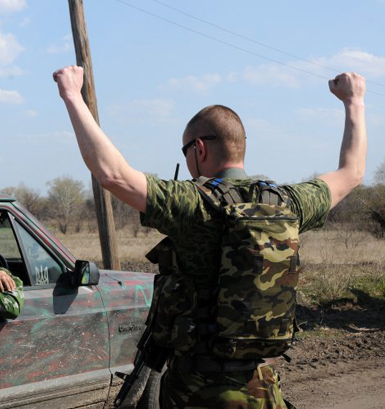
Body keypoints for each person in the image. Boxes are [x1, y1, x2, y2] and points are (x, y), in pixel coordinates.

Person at [53, 65, 366, 408]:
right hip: (261, 385)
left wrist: (72, 95)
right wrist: (354, 102)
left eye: (185, 152)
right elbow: (352, 173)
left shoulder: (196, 204)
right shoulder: (287, 203)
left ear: (198, 149)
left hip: (197, 388)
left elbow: (112, 174)